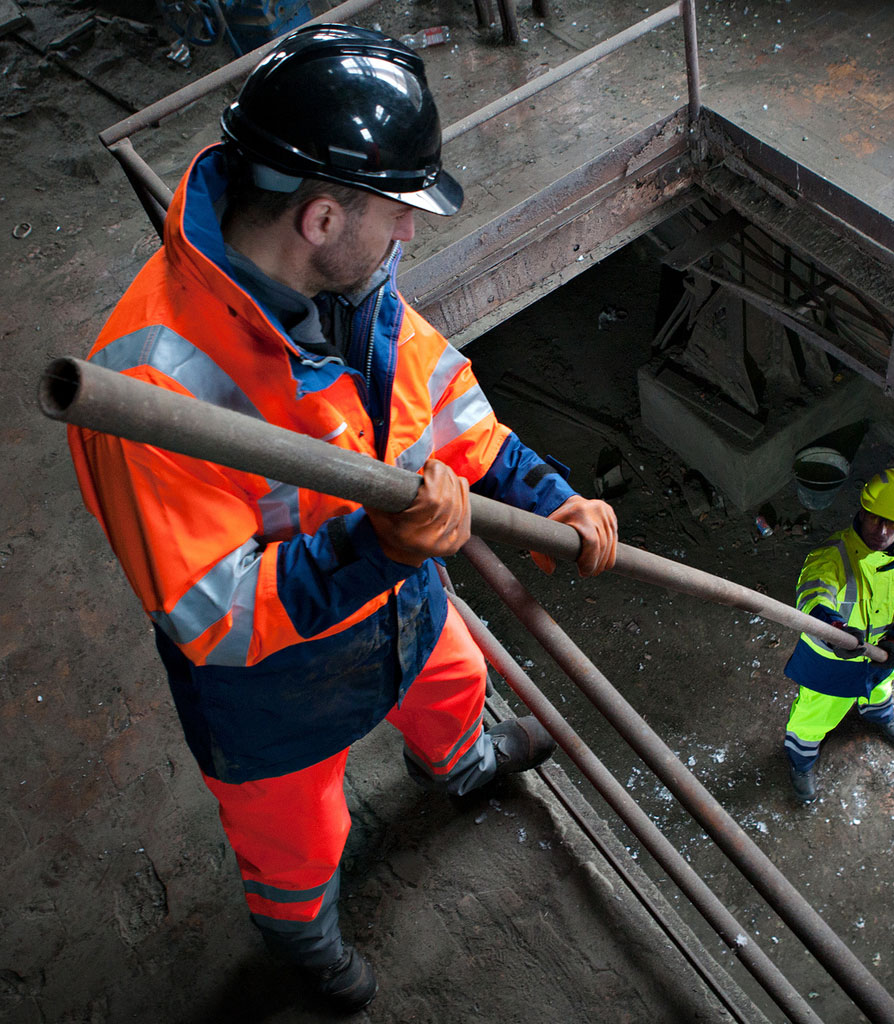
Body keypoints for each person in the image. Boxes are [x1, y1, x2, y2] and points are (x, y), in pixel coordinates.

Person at [66, 24, 617, 1015]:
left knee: (454, 680)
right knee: (297, 836)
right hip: (276, 692)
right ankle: (301, 936)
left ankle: (463, 763)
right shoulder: (153, 382)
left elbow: (445, 406)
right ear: (321, 216)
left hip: (401, 605)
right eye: (396, 211)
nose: (408, 234)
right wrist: (378, 544)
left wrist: (550, 496)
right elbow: (216, 618)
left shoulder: (354, 289)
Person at [782, 468, 894, 804]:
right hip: (830, 666)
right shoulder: (831, 556)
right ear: (862, 511)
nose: (881, 531)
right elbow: (813, 597)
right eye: (875, 519)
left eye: (892, 524)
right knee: (813, 717)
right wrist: (834, 630)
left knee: (880, 690)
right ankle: (800, 760)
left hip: (881, 659)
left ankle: (877, 714)